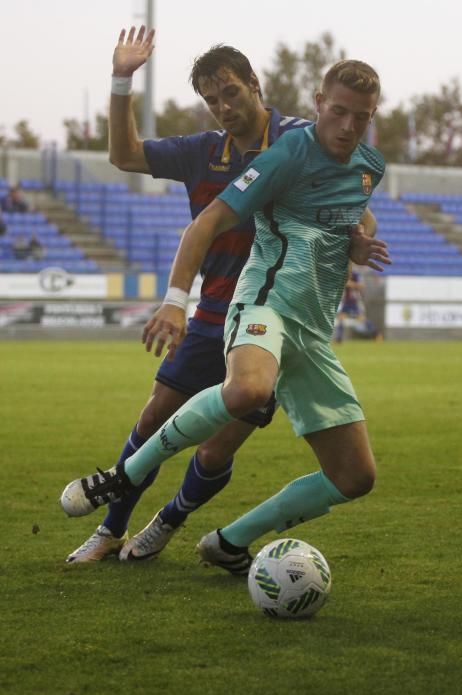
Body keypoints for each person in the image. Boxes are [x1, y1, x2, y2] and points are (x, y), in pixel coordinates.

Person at [61, 58, 391, 577]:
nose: (223, 108)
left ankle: (180, 526)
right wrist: (121, 80)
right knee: (163, 416)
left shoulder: (315, 139)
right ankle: (111, 519)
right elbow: (127, 157)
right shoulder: (210, 150)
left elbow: (352, 199)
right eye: (212, 100)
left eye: (231, 94)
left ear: (255, 86)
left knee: (222, 453)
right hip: (232, 307)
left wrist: (355, 238)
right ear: (321, 102)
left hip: (303, 326)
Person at [334, 268, 378, 342]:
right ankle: (339, 338)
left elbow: (361, 286)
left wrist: (350, 284)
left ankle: (376, 334)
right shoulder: (344, 274)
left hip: (355, 302)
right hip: (346, 302)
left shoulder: (356, 275)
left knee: (362, 319)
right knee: (341, 318)